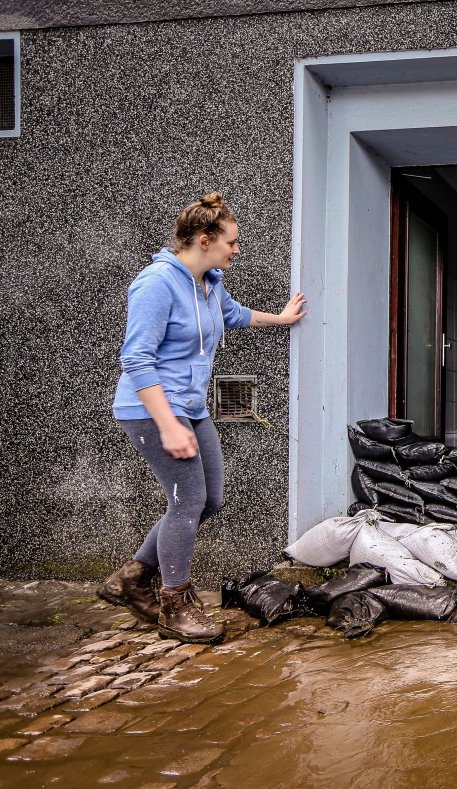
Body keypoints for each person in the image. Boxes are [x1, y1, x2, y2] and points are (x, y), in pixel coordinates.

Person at [101, 193, 306, 643]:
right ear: (204, 238)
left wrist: (282, 318)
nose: (236, 250)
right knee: (187, 501)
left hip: (190, 408)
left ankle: (130, 579)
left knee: (210, 499)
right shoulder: (156, 283)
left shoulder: (208, 283)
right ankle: (174, 604)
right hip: (151, 410)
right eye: (231, 242)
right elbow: (136, 360)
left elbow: (232, 316)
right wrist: (168, 424)